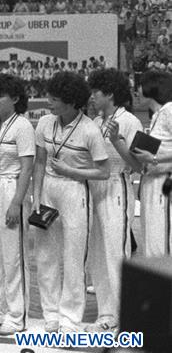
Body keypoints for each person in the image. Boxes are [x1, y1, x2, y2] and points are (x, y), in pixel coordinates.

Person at [32, 72, 110, 332]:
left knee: (74, 258)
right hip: (47, 191)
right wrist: (36, 196)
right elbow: (40, 162)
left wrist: (71, 172)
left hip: (75, 191)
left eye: (54, 99)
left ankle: (70, 319)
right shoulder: (44, 122)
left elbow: (104, 171)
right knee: (45, 256)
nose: (48, 102)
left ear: (71, 101)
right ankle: (51, 314)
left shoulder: (90, 130)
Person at [0, 74, 36, 336]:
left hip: (11, 187)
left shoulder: (23, 126)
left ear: (14, 98)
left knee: (13, 257)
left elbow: (27, 168)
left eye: (1, 95)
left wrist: (16, 202)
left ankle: (16, 314)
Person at [87, 68, 141, 333]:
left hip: (118, 187)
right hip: (94, 189)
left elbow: (141, 165)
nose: (92, 97)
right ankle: (107, 315)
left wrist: (117, 141)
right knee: (97, 257)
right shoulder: (94, 122)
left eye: (96, 92)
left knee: (116, 255)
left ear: (109, 93)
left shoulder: (131, 121)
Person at [129, 69, 172, 256]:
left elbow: (156, 156)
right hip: (151, 182)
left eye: (139, 85)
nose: (136, 91)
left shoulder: (169, 111)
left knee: (162, 241)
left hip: (165, 183)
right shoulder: (156, 116)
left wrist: (154, 158)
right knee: (151, 240)